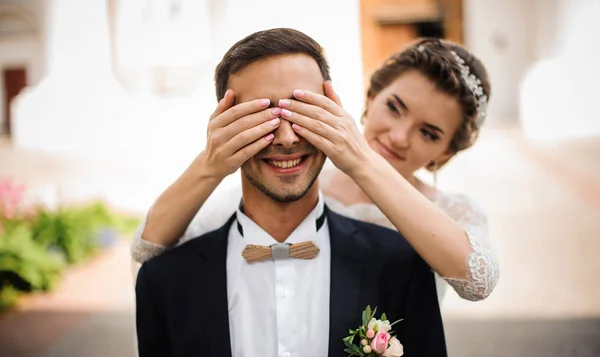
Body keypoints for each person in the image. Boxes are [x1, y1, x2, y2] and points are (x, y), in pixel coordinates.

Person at [135, 28, 452, 357]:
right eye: (263, 113)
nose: (286, 137)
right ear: (224, 124)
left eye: (302, 111)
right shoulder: (165, 281)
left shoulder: (401, 266)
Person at [131, 37, 499, 305]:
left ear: (445, 153)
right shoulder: (292, 179)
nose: (400, 137)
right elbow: (146, 251)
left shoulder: (453, 212)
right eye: (395, 107)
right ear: (371, 98)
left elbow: (478, 283)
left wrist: (361, 161)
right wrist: (211, 164)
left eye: (428, 133)